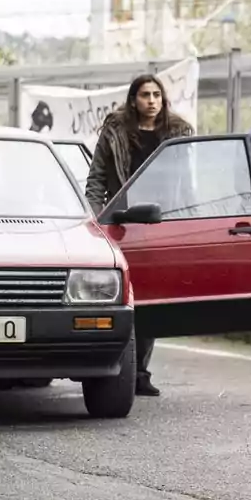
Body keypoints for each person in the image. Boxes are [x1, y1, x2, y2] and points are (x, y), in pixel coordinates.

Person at [85, 74, 194, 397]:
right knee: (124, 300)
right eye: (145, 94)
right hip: (122, 224)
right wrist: (95, 221)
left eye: (156, 95)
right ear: (134, 99)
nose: (151, 100)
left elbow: (185, 183)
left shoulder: (176, 133)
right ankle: (117, 368)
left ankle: (140, 372)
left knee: (151, 299)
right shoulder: (116, 133)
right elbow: (97, 180)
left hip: (158, 225)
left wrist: (185, 220)